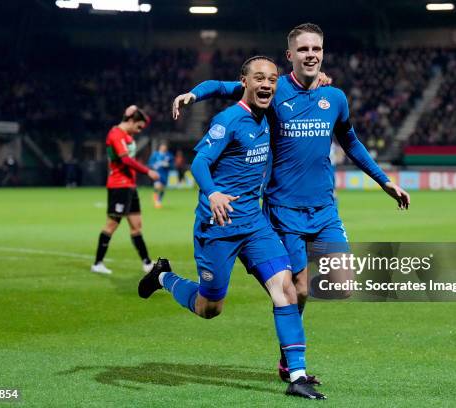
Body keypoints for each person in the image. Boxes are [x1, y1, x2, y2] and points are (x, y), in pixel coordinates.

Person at [172, 23, 411, 383]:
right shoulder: (272, 90)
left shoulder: (336, 98)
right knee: (292, 290)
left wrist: (385, 181)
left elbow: (352, 143)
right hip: (283, 212)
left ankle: (290, 347)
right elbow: (222, 88)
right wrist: (193, 94)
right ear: (290, 56)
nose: (311, 54)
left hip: (324, 209)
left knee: (342, 284)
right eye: (303, 50)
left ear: (323, 53)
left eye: (316, 49)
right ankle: (290, 362)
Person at [139, 56, 325, 399]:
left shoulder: (269, 109)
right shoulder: (229, 119)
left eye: (272, 78)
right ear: (245, 82)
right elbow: (200, 162)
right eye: (259, 78)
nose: (266, 84)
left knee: (285, 288)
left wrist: (317, 79)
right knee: (210, 308)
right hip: (218, 226)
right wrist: (212, 194)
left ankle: (296, 374)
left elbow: (223, 87)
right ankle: (163, 276)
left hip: (254, 224)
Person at [91, 105, 160, 275]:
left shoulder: (127, 133)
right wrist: (147, 171)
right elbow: (126, 160)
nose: (139, 130)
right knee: (112, 224)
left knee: (136, 225)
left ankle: (146, 263)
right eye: (138, 126)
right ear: (130, 121)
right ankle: (97, 263)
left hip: (129, 186)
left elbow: (142, 120)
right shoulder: (116, 134)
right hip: (118, 185)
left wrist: (136, 111)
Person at [147, 142, 173, 208]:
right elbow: (150, 163)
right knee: (157, 186)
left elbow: (172, 165)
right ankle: (156, 201)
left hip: (165, 174)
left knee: (162, 189)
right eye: (162, 147)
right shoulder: (155, 155)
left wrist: (167, 165)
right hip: (157, 173)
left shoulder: (169, 155)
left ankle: (159, 201)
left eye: (164, 147)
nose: (163, 148)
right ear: (160, 147)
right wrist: (154, 166)